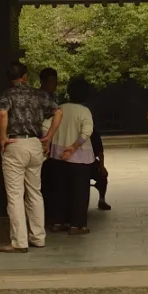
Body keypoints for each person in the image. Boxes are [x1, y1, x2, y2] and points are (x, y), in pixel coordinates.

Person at [0, 61, 62, 253]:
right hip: (35, 143)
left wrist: (2, 138)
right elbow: (58, 112)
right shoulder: (39, 94)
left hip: (15, 144)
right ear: (25, 76)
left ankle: (19, 241)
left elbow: (2, 114)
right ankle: (38, 237)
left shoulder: (7, 95)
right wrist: (49, 136)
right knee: (35, 192)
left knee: (15, 195)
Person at [47, 76, 96, 235]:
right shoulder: (84, 111)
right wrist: (74, 146)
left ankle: (58, 222)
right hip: (80, 159)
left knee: (59, 190)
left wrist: (48, 143)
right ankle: (77, 225)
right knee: (79, 192)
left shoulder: (59, 108)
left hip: (58, 156)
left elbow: (46, 127)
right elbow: (87, 132)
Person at [38, 67, 60, 229]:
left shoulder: (53, 97)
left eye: (55, 81)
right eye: (51, 81)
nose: (54, 85)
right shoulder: (40, 97)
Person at [90, 126, 112, 211]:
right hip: (76, 162)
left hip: (91, 161)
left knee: (103, 176)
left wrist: (102, 167)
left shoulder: (94, 135)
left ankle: (102, 199)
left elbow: (100, 153)